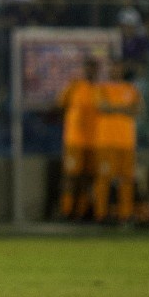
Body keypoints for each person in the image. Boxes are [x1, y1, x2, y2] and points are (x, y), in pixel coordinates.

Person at [92, 61, 140, 223]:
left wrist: (114, 108)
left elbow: (137, 110)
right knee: (104, 178)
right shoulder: (101, 88)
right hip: (106, 141)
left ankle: (125, 214)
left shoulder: (131, 89)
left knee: (127, 179)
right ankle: (101, 214)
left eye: (118, 67)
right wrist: (124, 109)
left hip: (126, 142)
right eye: (112, 67)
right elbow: (102, 107)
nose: (115, 71)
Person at [56, 57, 103, 219]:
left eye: (94, 68)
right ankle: (66, 210)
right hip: (74, 140)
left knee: (88, 178)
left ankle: (81, 212)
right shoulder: (75, 86)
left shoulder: (101, 89)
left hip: (95, 141)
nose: (91, 71)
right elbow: (60, 106)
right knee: (71, 176)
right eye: (88, 68)